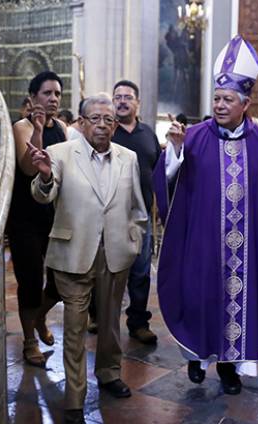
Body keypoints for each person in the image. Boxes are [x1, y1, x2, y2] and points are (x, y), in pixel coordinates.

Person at [153, 35, 258, 396]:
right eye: (216, 98)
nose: (219, 105)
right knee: (201, 299)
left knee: (237, 301)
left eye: (227, 99)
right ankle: (197, 358)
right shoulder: (195, 136)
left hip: (244, 249)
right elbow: (168, 178)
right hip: (202, 242)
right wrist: (174, 150)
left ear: (245, 103)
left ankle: (230, 368)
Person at [29, 94, 148, 424]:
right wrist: (44, 176)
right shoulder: (60, 154)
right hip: (73, 252)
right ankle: (74, 397)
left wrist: (132, 243)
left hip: (115, 254)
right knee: (75, 327)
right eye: (94, 119)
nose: (102, 125)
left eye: (108, 120)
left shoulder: (128, 157)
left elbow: (138, 209)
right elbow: (43, 195)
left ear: (115, 124)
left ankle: (109, 375)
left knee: (110, 323)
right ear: (81, 123)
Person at [8, 71, 66, 367]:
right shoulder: (21, 126)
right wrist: (38, 130)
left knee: (59, 282)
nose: (53, 98)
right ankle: (30, 341)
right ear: (32, 98)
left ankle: (41, 315)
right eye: (47, 93)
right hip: (24, 217)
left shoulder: (64, 128)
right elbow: (29, 169)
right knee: (30, 282)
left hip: (53, 216)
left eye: (57, 93)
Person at [111, 80, 162, 344]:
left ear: (137, 103)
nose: (121, 101)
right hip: (111, 216)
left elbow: (159, 171)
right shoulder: (106, 132)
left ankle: (139, 322)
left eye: (127, 97)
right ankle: (101, 319)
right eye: (117, 96)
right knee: (108, 272)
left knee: (141, 272)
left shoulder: (147, 134)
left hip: (141, 217)